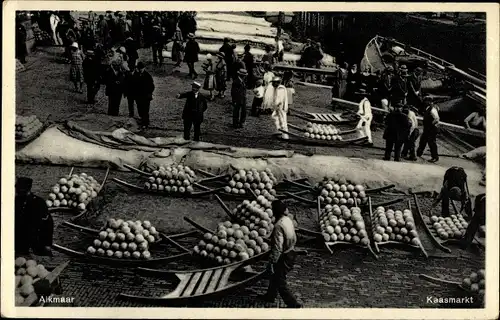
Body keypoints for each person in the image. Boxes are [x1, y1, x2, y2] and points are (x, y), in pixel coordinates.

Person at [258, 200, 302, 308]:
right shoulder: (288, 220)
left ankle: (293, 304)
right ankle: (270, 295)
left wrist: (272, 261)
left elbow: (278, 247)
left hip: (284, 256)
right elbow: (294, 237)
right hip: (291, 251)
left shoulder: (278, 225)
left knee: (279, 280)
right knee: (275, 276)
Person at [15, 177, 53, 256]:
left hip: (36, 242)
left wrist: (47, 244)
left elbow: (48, 224)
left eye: (18, 188)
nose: (16, 190)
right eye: (16, 187)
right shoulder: (15, 201)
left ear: (27, 189)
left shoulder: (38, 202)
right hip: (19, 241)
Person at [131, 62, 155, 129]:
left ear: (143, 68)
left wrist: (149, 92)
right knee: (140, 109)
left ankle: (146, 123)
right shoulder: (136, 75)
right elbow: (133, 84)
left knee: (145, 110)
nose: (140, 69)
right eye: (139, 68)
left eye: (141, 68)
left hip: (145, 96)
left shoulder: (147, 75)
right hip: (138, 96)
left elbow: (152, 86)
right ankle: (142, 120)